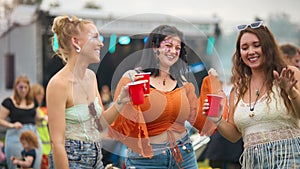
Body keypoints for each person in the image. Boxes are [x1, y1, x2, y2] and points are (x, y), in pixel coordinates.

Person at [108, 25, 215, 169]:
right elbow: (118, 126)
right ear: (154, 48)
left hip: (184, 156)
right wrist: (128, 105)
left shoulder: (183, 82)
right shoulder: (133, 78)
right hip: (147, 159)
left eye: (177, 48)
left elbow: (199, 121)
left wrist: (211, 92)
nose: (173, 51)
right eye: (168, 46)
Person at [202, 21, 300, 168]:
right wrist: (217, 120)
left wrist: (291, 91)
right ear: (240, 54)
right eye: (244, 48)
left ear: (268, 47)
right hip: (253, 162)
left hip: (288, 158)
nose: (251, 51)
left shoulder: (288, 73)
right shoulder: (238, 89)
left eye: (256, 45)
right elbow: (234, 135)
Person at [46, 15, 133, 169]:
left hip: (96, 160)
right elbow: (57, 143)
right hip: (72, 162)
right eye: (95, 37)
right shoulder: (58, 84)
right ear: (76, 42)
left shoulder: (91, 77)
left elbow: (100, 124)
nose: (101, 43)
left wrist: (121, 100)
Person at [0, 75, 43, 169]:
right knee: (16, 164)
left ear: (29, 88)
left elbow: (37, 117)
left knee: (35, 163)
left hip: (32, 135)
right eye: (20, 87)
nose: (23, 90)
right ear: (16, 87)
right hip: (16, 135)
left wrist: (43, 118)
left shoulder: (33, 101)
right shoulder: (9, 102)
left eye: (25, 87)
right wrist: (11, 125)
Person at [31, 83, 50, 169]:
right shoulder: (32, 110)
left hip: (47, 149)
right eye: (39, 94)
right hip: (38, 148)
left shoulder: (42, 110)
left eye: (42, 94)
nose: (41, 96)